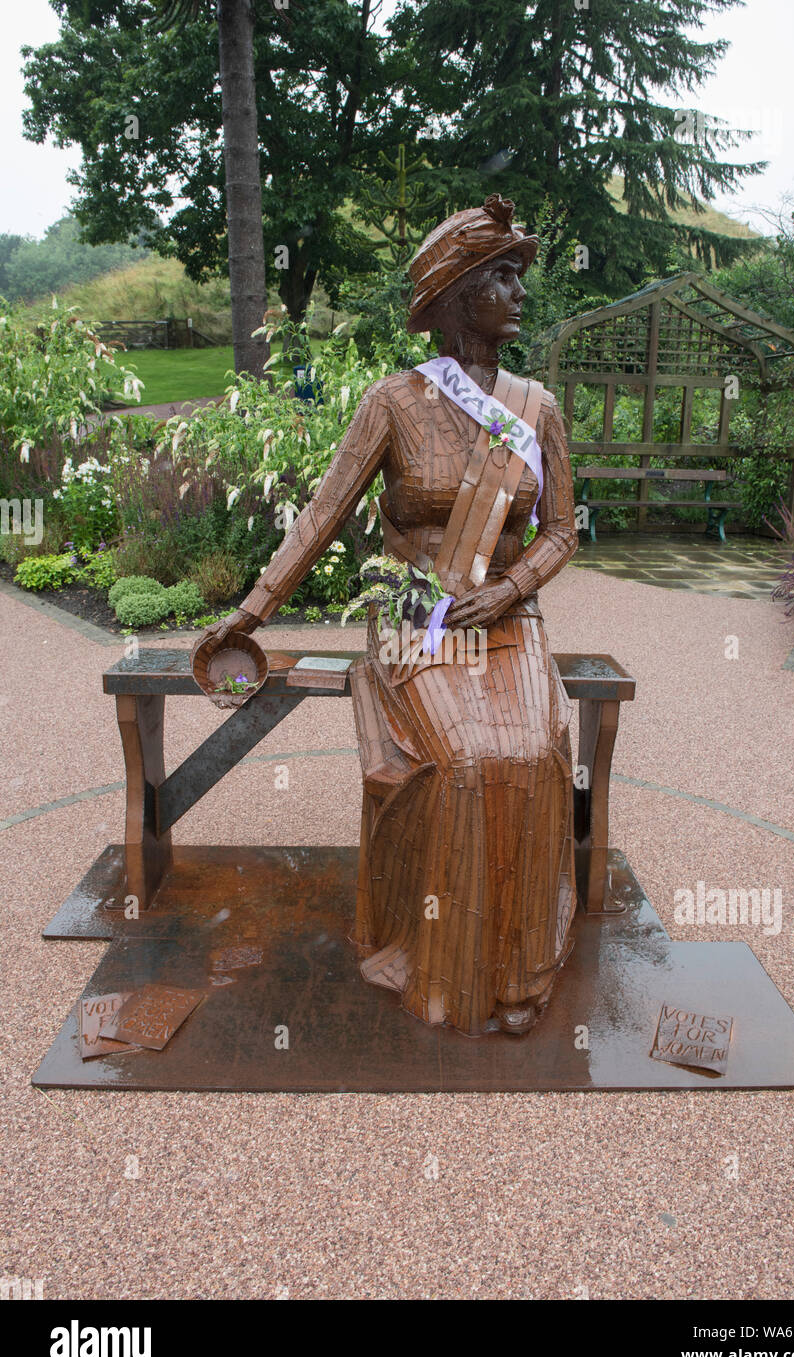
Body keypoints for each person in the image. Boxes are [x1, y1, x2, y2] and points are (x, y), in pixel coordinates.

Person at [205, 195, 579, 1035]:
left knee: (533, 751)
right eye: (503, 278)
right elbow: (321, 515)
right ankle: (443, 968)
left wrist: (514, 590)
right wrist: (251, 612)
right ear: (454, 298)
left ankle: (518, 971)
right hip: (415, 612)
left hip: (507, 616)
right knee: (464, 763)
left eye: (521, 277)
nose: (520, 294)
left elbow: (562, 530)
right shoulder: (393, 403)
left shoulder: (538, 408)